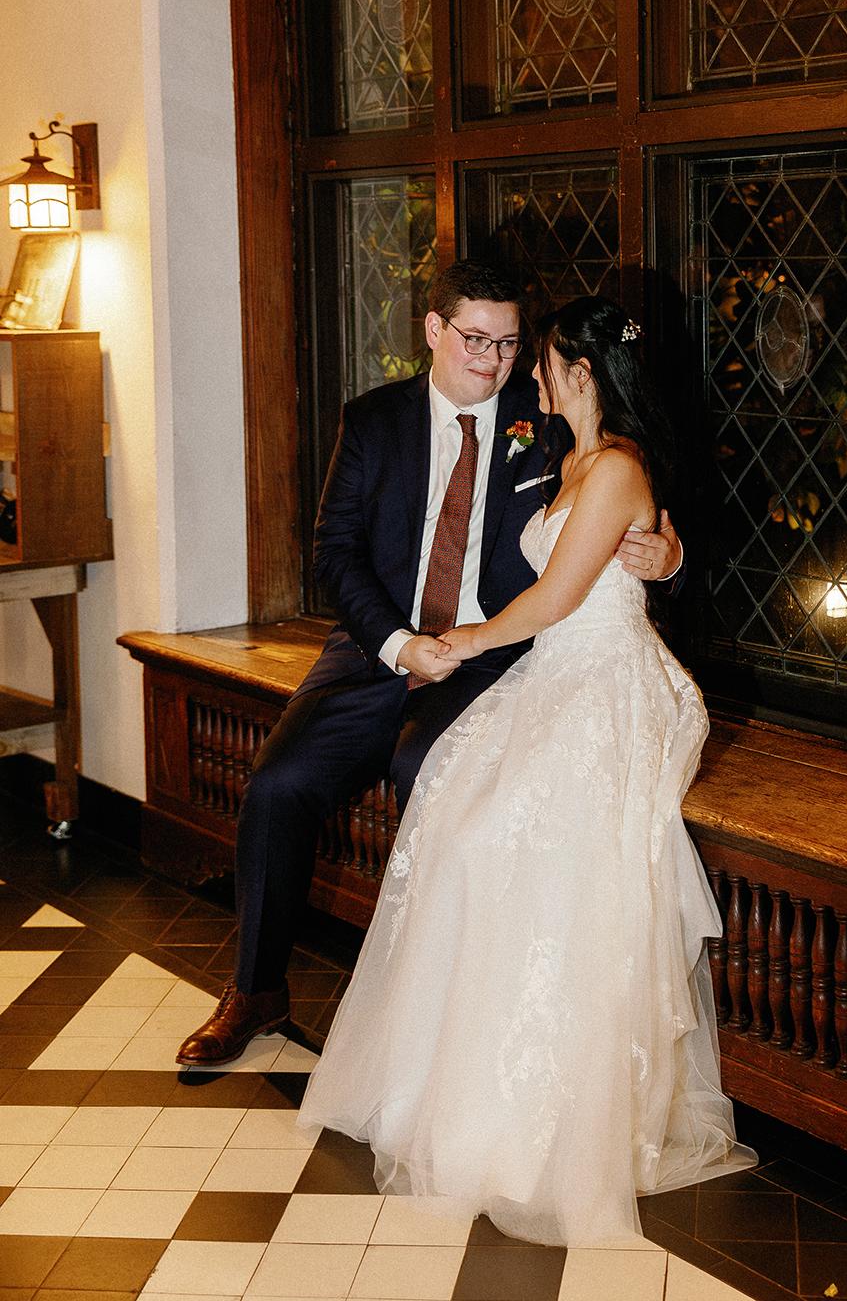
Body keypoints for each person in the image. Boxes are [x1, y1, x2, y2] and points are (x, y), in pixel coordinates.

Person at [297, 296, 753, 1246]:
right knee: (456, 822)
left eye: (543, 362)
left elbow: (557, 595)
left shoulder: (618, 466)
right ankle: (459, 1087)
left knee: (514, 839)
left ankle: (545, 1121)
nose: (529, 375)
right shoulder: (568, 457)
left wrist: (465, 641)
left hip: (609, 683)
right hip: (556, 670)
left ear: (582, 373)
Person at [176, 263, 680, 1067]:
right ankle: (256, 989)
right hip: (376, 649)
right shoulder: (374, 421)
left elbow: (634, 485)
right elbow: (332, 553)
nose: (493, 359)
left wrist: (668, 553)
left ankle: (435, 1011)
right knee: (277, 783)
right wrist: (397, 644)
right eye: (476, 338)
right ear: (434, 331)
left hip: (494, 658)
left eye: (511, 343)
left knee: (430, 768)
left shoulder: (546, 413)